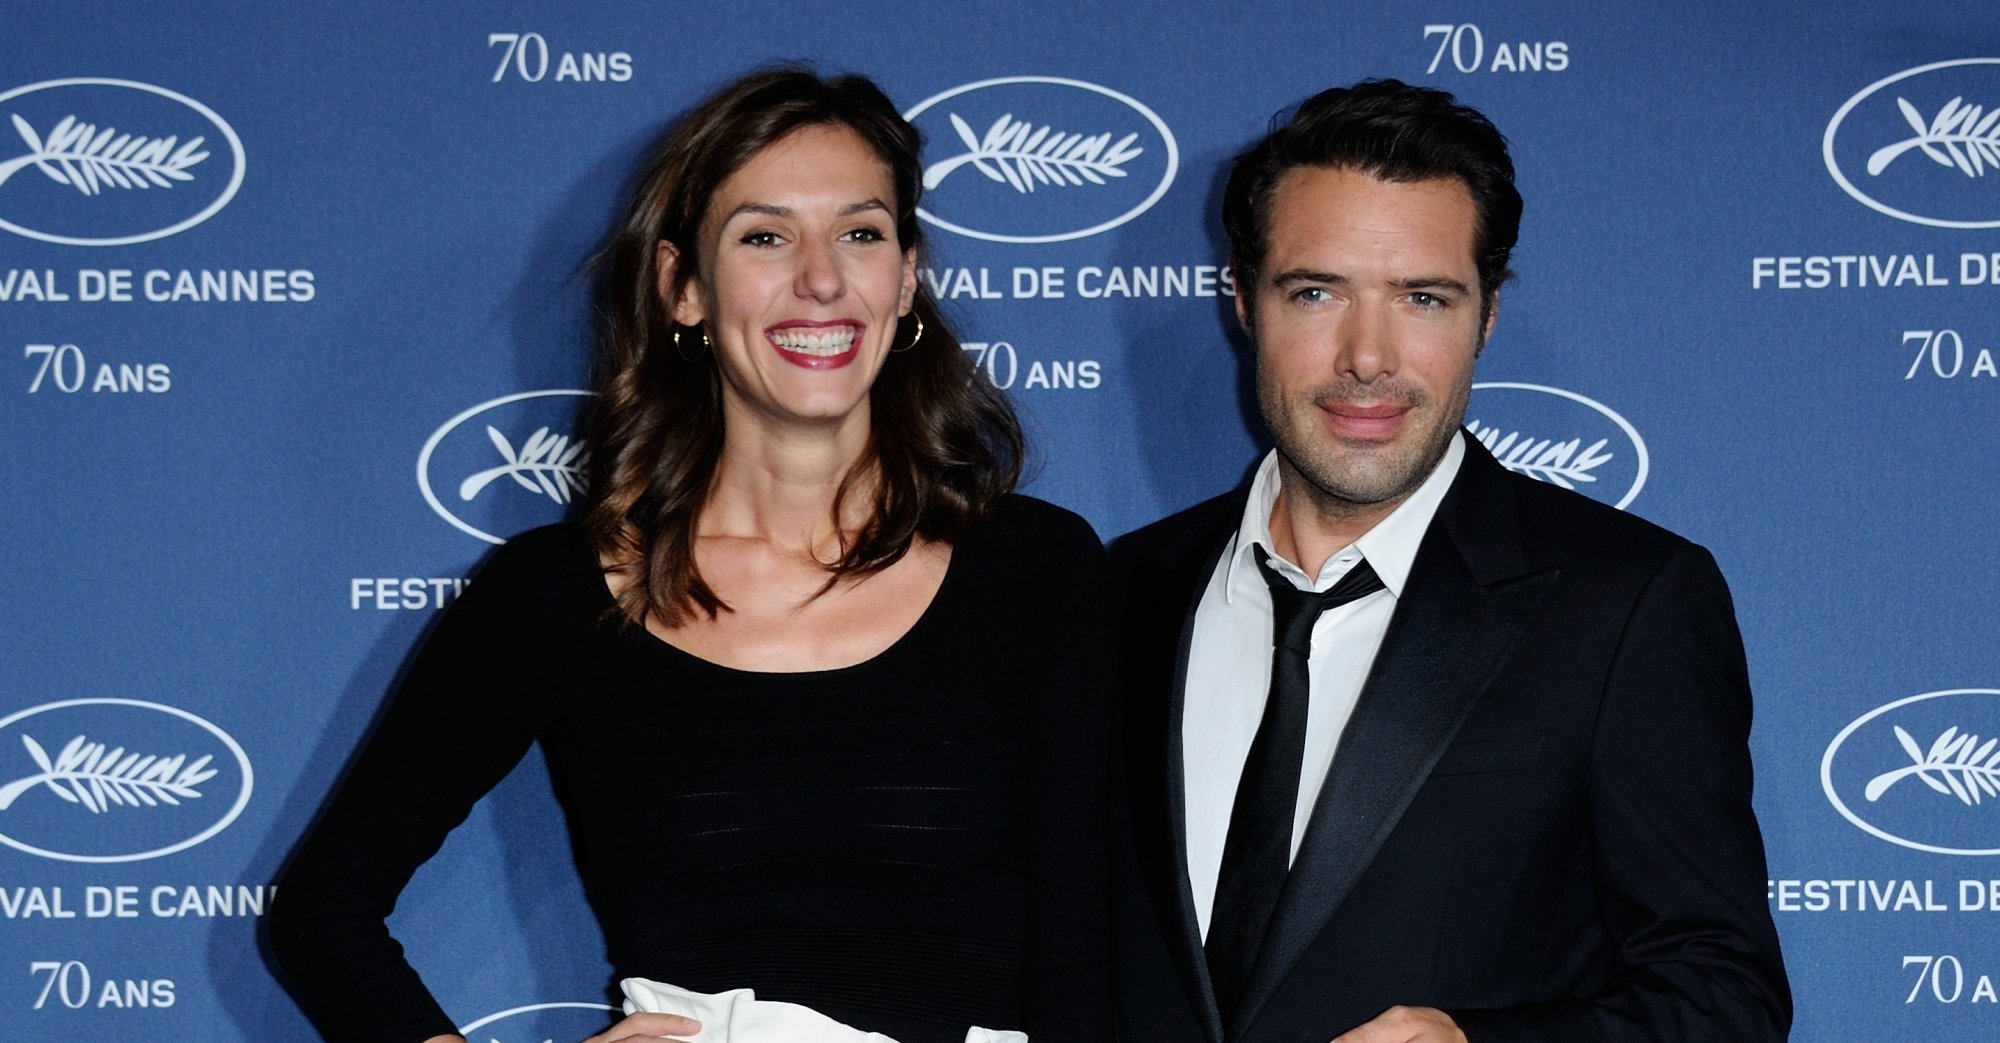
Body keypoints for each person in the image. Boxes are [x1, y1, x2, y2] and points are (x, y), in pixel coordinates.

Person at [269, 68, 1111, 1043]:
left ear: (906, 275)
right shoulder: (553, 595)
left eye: (860, 232)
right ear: (683, 288)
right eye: (764, 236)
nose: (821, 277)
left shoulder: (1035, 570)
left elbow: (1078, 957)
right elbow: (321, 906)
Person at [1108, 79, 1791, 1043]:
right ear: (1243, 302)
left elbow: (1725, 1001)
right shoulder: (1121, 593)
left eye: (1423, 298)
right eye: (1316, 292)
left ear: (1488, 316)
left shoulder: (1624, 606)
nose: (1368, 356)